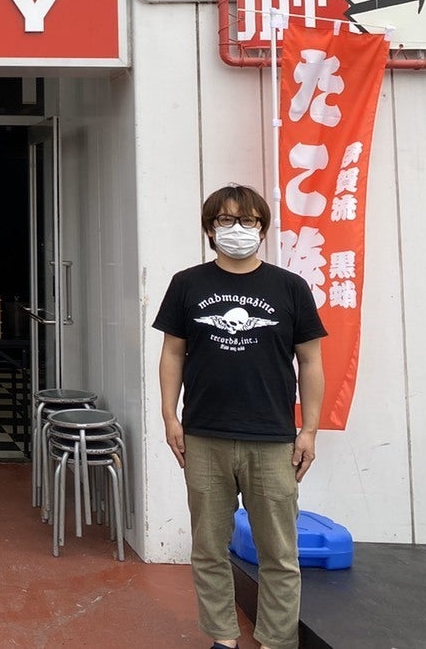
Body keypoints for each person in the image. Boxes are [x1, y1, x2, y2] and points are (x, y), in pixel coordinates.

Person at [153, 184, 326, 649]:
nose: (237, 229)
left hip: (272, 437)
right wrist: (170, 417)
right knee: (209, 547)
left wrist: (309, 430)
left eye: (248, 220)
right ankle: (223, 638)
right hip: (204, 435)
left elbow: (311, 361)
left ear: (263, 228)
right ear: (210, 229)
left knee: (279, 552)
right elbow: (173, 353)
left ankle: (276, 639)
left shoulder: (290, 288)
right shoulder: (187, 284)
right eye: (226, 220)